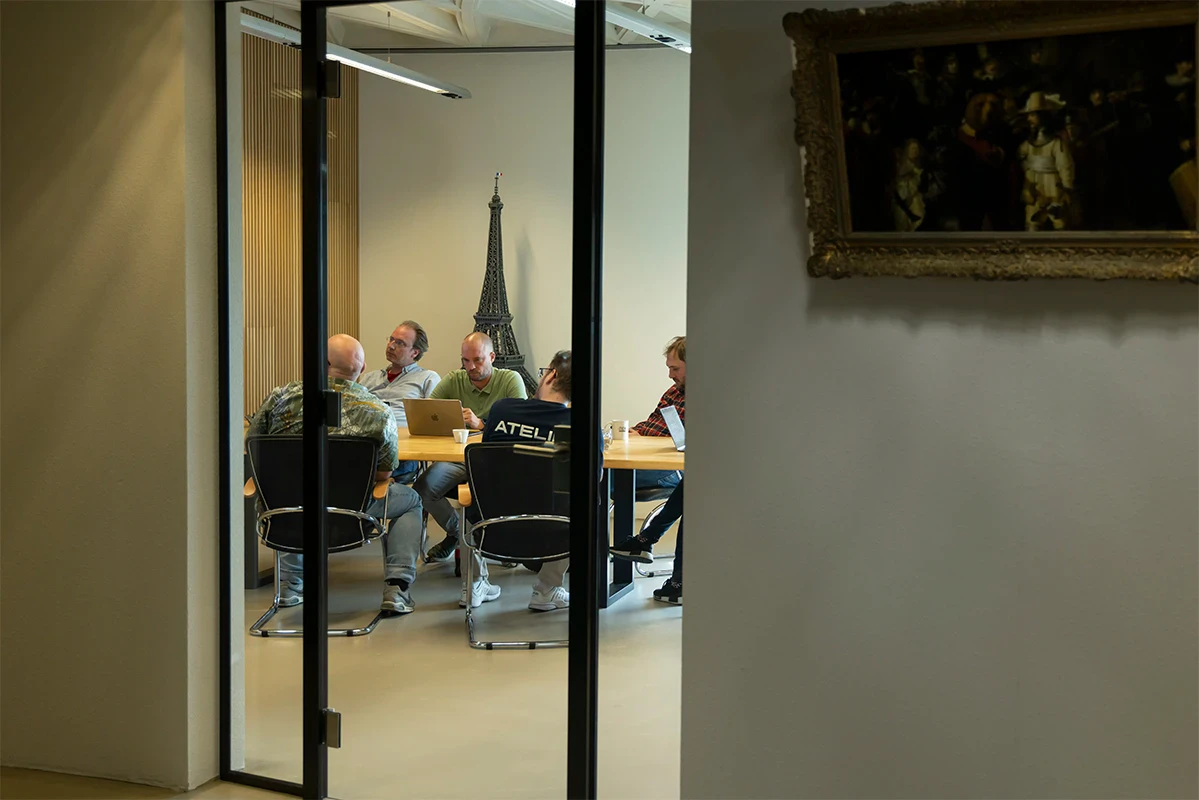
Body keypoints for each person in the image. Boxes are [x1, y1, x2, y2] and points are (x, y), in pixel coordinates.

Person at [246, 334, 425, 614]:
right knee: (411, 501)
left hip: (287, 513)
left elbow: (254, 445)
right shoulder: (379, 412)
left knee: (288, 488)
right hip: (350, 516)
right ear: (362, 369)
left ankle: (291, 584)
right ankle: (397, 588)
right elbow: (384, 472)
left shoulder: (280, 397)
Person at [415, 332, 527, 582]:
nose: (471, 367)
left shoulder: (511, 379)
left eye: (477, 360)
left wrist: (481, 424)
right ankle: (458, 534)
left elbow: (520, 425)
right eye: (465, 360)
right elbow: (427, 412)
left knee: (496, 492)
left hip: (497, 461)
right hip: (458, 458)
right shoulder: (455, 379)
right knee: (423, 488)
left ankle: (497, 540)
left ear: (492, 357)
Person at [475, 350, 576, 612]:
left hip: (494, 528)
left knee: (470, 492)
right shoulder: (580, 425)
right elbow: (593, 478)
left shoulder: (502, 409)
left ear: (551, 375)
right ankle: (546, 589)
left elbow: (485, 462)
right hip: (554, 533)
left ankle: (473, 583)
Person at [609, 336, 685, 564]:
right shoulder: (674, 391)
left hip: (672, 468)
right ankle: (643, 541)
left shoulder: (710, 399)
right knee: (602, 476)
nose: (670, 375)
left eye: (675, 368)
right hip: (652, 458)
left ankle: (593, 554)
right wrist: (636, 431)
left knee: (601, 480)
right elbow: (654, 422)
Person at [358, 320, 440, 482]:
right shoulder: (369, 378)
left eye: (400, 343)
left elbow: (433, 423)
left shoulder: (427, 378)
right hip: (365, 444)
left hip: (401, 449)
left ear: (415, 352)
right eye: (391, 339)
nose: (391, 346)